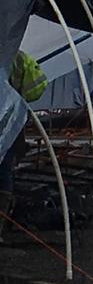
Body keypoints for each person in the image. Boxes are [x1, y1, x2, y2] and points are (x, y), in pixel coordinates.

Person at [0, 51, 47, 244]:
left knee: (3, 174)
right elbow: (37, 88)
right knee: (4, 173)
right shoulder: (19, 57)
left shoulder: (16, 58)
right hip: (12, 121)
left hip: (9, 121)